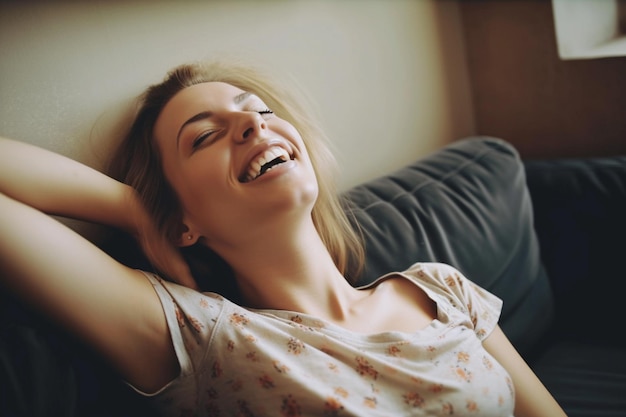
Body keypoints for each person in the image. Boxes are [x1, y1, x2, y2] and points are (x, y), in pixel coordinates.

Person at [0, 60, 566, 416]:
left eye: (259, 111)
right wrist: (137, 210)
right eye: (205, 137)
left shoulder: (441, 288)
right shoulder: (206, 340)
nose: (254, 126)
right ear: (184, 221)